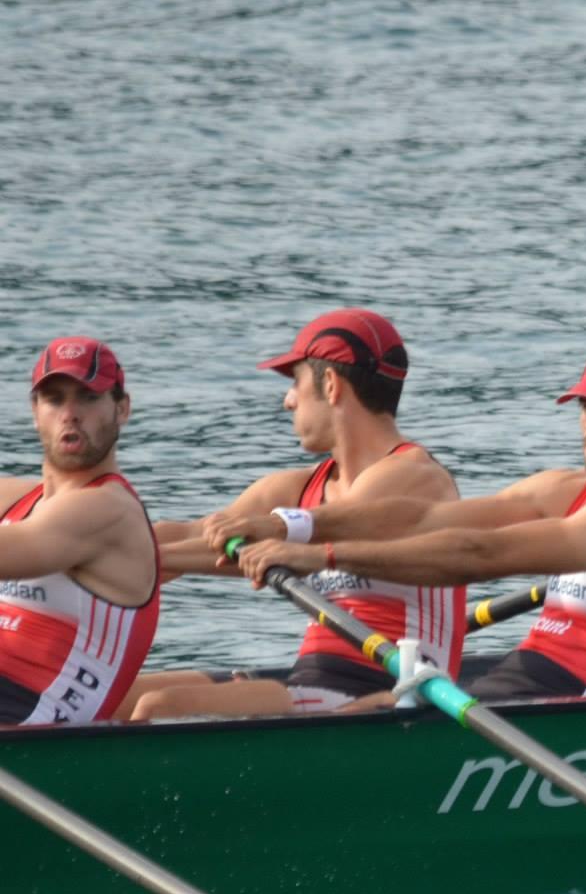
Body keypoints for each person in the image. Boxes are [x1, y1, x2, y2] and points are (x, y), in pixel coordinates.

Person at [215, 339, 586, 701]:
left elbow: (482, 553)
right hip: (530, 682)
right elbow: (425, 517)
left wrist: (321, 557)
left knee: (384, 716)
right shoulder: (568, 489)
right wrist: (293, 525)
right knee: (383, 711)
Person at [121, 309, 463, 721]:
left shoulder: (414, 476)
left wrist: (151, 561)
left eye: (295, 382)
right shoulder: (298, 487)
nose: (288, 401)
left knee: (160, 708)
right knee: (118, 696)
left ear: (331, 385)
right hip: (314, 681)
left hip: (393, 689)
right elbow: (192, 534)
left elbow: (330, 528)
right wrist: (78, 550)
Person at [0, 338, 160, 725]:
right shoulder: (19, 498)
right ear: (35, 412)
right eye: (54, 400)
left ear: (122, 409)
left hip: (35, 718)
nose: (69, 414)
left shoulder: (109, 509)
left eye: (88, 398)